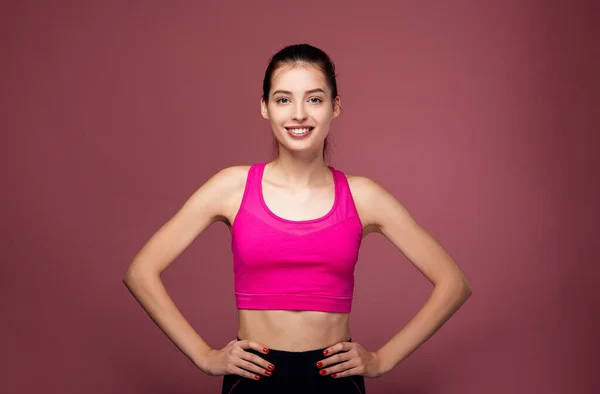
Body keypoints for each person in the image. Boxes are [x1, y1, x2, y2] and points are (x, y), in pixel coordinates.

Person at [123, 43, 472, 394]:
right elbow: (141, 272)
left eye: (315, 99)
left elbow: (453, 283)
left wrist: (382, 359)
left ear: (335, 107)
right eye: (284, 99)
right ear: (265, 107)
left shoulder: (363, 196)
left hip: (335, 380)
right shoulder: (231, 187)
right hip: (254, 380)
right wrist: (204, 356)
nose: (299, 114)